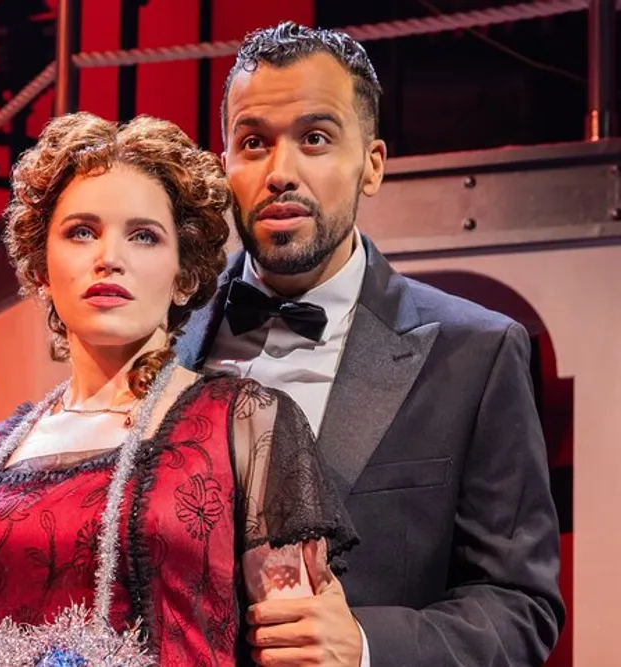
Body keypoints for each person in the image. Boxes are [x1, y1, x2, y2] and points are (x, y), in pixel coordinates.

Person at [0, 111, 358, 666]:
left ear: (184, 273)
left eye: (143, 236)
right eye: (81, 232)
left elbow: (298, 650)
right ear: (42, 268)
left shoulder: (244, 423)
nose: (108, 258)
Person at [174, 21, 566, 667]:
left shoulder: (476, 352)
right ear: (226, 168)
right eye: (253, 142)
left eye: (316, 138)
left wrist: (364, 644)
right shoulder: (160, 341)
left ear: (372, 166)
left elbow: (520, 604)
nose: (281, 171)